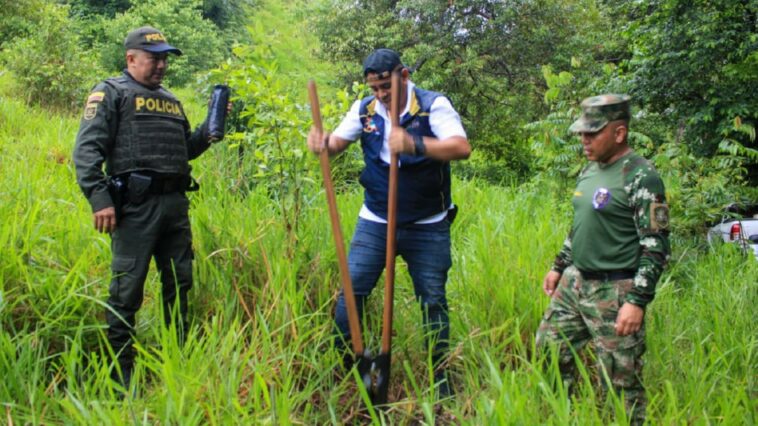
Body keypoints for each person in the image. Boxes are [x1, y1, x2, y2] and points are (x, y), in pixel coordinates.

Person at [307, 48, 471, 397]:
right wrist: (322, 143)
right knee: (351, 294)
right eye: (375, 87)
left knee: (433, 300)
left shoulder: (431, 106)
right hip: (376, 218)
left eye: (386, 86)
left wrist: (412, 143)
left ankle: (440, 379)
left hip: (427, 222)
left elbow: (460, 147)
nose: (381, 95)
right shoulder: (365, 109)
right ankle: (351, 370)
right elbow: (336, 142)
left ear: (405, 76)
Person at [73, 26, 226, 390]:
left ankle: (177, 361)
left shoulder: (171, 100)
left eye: (164, 59)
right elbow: (86, 152)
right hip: (136, 208)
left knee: (180, 284)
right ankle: (120, 377)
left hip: (175, 205)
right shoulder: (110, 93)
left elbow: (182, 151)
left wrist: (207, 132)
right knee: (127, 291)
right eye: (154, 58)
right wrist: (100, 200)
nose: (161, 66)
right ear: (131, 58)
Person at [536, 94, 671, 424]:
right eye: (582, 133)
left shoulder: (641, 177)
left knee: (620, 380)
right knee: (549, 351)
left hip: (615, 290)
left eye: (592, 133)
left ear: (619, 133)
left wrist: (637, 301)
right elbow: (580, 226)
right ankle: (559, 416)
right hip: (575, 282)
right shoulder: (589, 170)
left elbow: (656, 245)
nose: (584, 140)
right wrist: (558, 266)